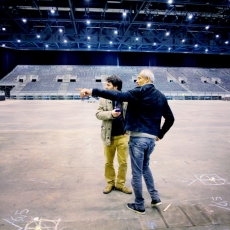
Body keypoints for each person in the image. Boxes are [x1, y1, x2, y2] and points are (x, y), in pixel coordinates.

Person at [79, 69, 175, 215]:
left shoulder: (139, 92)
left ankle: (139, 205)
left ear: (147, 80)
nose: (137, 81)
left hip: (137, 139)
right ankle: (155, 198)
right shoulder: (161, 96)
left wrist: (92, 91)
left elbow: (119, 95)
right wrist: (160, 134)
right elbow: (170, 118)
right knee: (145, 168)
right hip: (150, 140)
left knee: (136, 173)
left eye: (139, 78)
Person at [96, 75, 132, 195]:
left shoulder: (126, 98)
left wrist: (129, 130)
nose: (105, 87)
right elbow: (98, 114)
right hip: (108, 135)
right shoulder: (103, 98)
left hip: (123, 136)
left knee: (123, 162)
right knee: (108, 162)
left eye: (108, 85)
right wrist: (110, 114)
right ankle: (110, 183)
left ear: (115, 87)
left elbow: (131, 115)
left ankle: (120, 184)